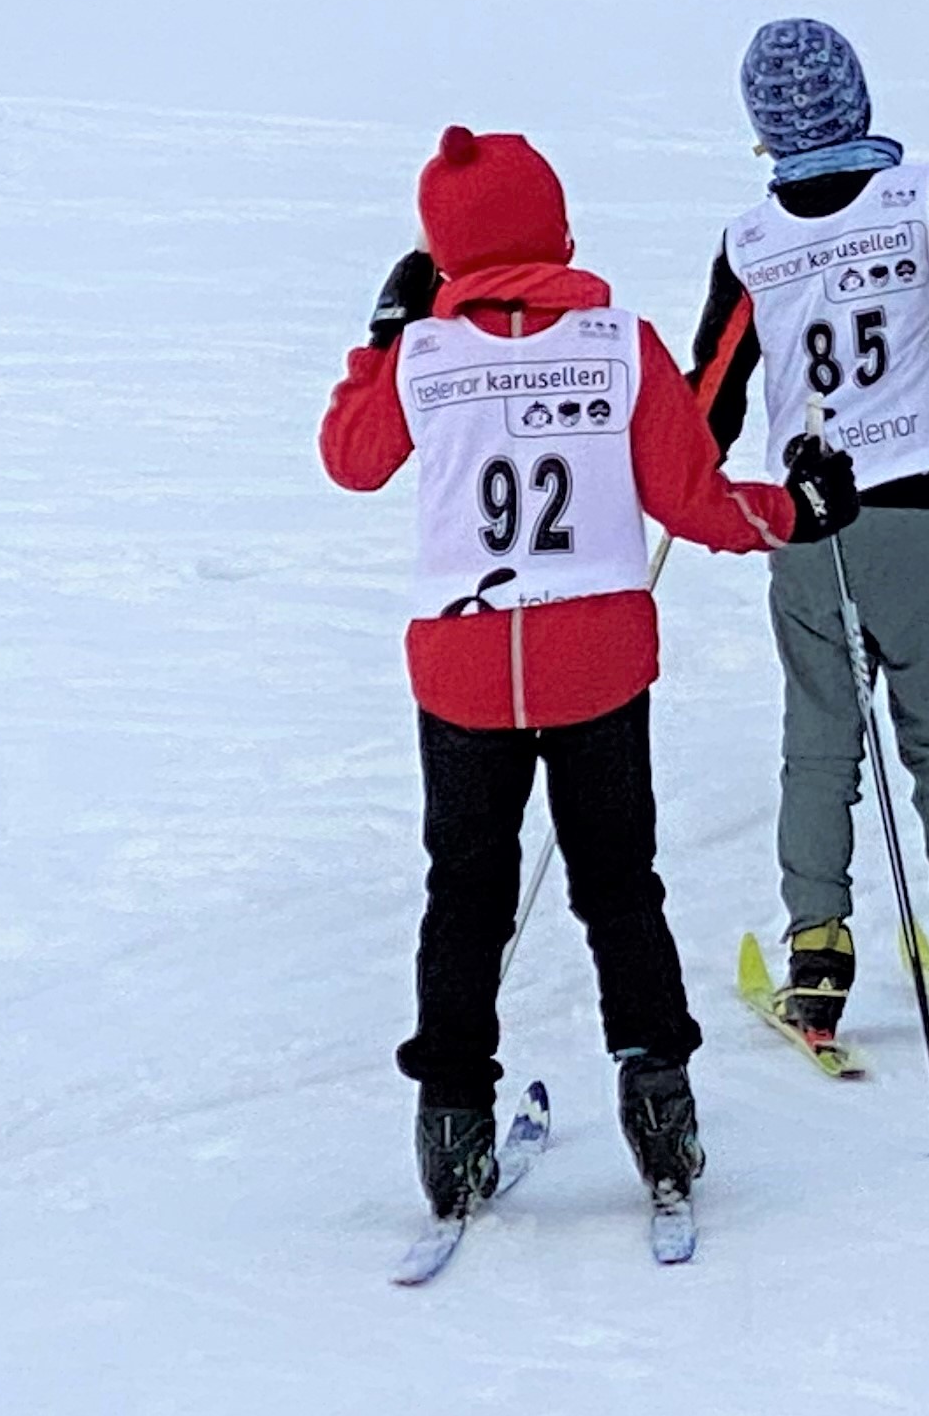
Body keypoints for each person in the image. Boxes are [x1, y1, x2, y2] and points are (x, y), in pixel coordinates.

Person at [321, 126, 852, 1225]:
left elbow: (352, 459)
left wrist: (382, 337)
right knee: (619, 887)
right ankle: (661, 1105)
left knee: (464, 896)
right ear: (556, 229)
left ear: (441, 248)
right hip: (596, 662)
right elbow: (694, 501)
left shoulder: (423, 355)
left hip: (465, 668)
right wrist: (798, 510)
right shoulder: (620, 344)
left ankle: (451, 1121)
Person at [686, 23, 929, 1046]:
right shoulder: (917, 198)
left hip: (809, 519)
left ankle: (818, 948)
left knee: (818, 742)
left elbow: (714, 391)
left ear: (765, 130)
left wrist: (685, 466)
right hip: (921, 508)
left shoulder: (752, 242)